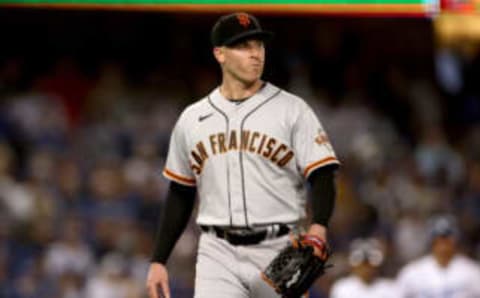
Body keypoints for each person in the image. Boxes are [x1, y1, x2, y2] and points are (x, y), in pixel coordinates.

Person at [146, 12, 340, 298]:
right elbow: (181, 192)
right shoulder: (192, 117)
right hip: (217, 252)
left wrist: (319, 225)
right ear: (219, 54)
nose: (255, 54)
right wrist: (159, 260)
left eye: (258, 46)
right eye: (243, 46)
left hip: (280, 247)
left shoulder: (291, 109)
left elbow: (322, 173)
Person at [396, 214, 480, 298]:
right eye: (438, 239)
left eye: (446, 238)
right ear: (431, 241)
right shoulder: (412, 272)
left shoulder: (472, 271)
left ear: (455, 240)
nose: (442, 244)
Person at [330, 237, 399, 298]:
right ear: (353, 265)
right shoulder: (342, 288)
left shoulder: (389, 288)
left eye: (369, 264)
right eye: (363, 264)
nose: (366, 269)